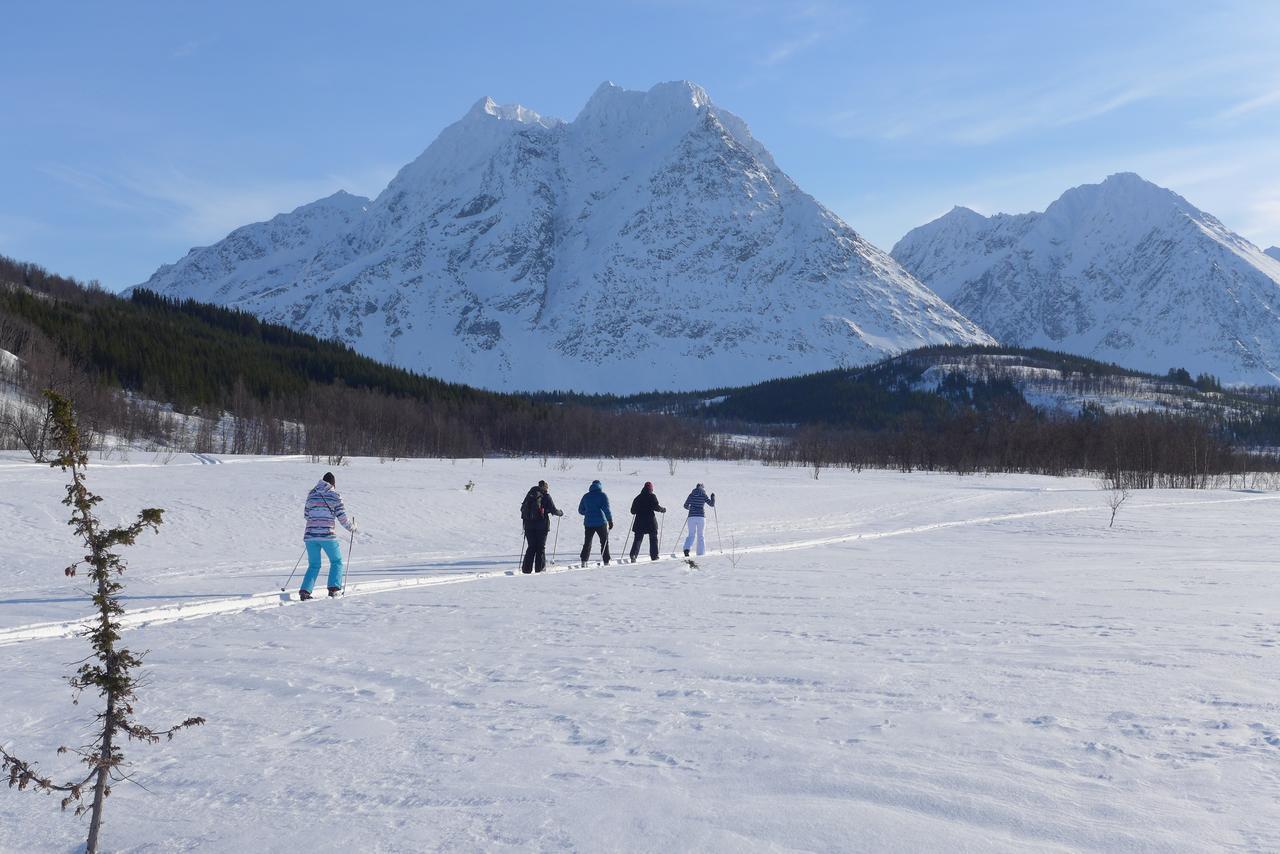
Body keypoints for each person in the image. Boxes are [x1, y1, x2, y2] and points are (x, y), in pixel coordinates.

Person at [301, 472, 357, 599]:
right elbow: (342, 517)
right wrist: (352, 528)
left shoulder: (311, 495)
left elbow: (306, 515)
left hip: (310, 536)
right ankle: (334, 589)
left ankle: (305, 591)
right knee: (336, 561)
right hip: (327, 535)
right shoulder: (334, 495)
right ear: (333, 483)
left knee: (314, 564)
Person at [521, 480, 563, 573]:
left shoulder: (529, 495)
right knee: (540, 547)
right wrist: (560, 513)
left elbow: (523, 509)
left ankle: (526, 569)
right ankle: (540, 569)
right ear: (545, 487)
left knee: (531, 547)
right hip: (542, 526)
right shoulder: (546, 496)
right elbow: (553, 510)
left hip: (528, 526)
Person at [578, 479, 613, 566]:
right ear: (600, 486)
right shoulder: (602, 495)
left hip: (588, 523)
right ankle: (606, 561)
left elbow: (580, 510)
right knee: (604, 542)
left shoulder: (586, 496)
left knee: (587, 542)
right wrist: (610, 520)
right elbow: (606, 509)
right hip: (601, 522)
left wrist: (588, 512)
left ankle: (584, 560)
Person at [629, 482, 666, 562]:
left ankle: (633, 555)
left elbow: (632, 511)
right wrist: (662, 510)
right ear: (651, 488)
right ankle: (654, 556)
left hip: (639, 521)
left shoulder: (638, 497)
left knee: (638, 539)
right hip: (650, 521)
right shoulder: (652, 496)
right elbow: (656, 507)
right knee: (653, 539)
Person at [682, 482, 715, 557]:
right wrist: (713, 497)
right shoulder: (703, 494)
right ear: (702, 488)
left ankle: (686, 549)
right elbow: (711, 504)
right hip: (701, 517)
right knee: (701, 535)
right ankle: (700, 553)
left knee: (691, 534)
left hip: (691, 517)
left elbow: (685, 505)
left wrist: (690, 509)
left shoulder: (691, 494)